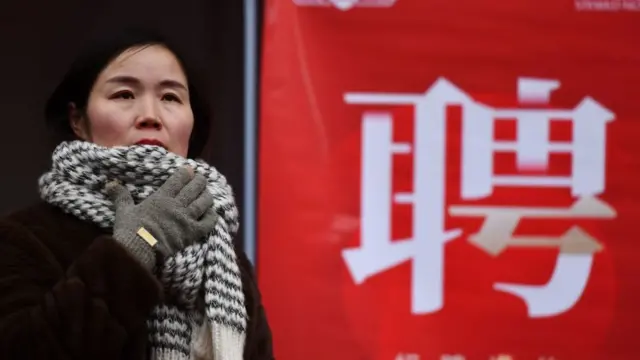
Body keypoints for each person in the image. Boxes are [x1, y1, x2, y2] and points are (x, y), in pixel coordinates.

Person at [0, 28, 274, 360]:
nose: (150, 116)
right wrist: (134, 249)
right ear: (77, 119)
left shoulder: (221, 257)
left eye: (170, 97)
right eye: (124, 95)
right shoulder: (25, 238)